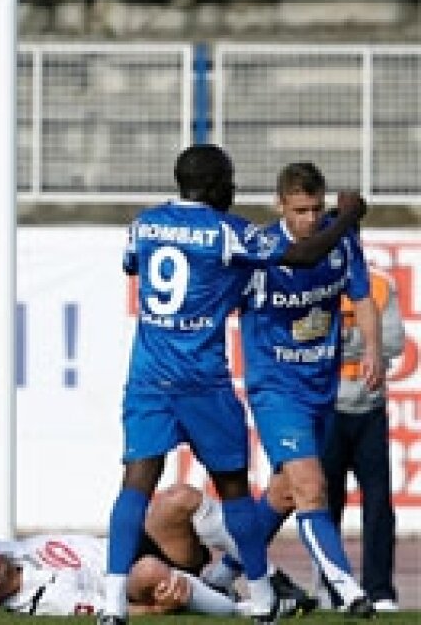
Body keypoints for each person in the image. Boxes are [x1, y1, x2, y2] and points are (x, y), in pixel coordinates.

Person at [98, 145, 368, 625]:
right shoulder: (229, 232)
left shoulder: (143, 223)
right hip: (202, 379)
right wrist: (346, 216)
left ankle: (112, 603)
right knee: (234, 489)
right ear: (220, 185)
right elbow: (303, 255)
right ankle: (263, 597)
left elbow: (133, 267)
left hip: (147, 377)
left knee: (136, 483)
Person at [205, 162, 383, 619]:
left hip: (320, 387)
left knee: (285, 493)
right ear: (280, 205)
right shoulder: (260, 249)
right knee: (310, 485)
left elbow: (361, 296)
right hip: (275, 388)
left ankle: (223, 574)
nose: (310, 219)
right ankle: (347, 589)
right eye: (300, 210)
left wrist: (374, 352)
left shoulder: (341, 241)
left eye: (317, 209)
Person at [0, 478, 306, 617]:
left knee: (180, 497)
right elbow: (110, 611)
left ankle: (227, 578)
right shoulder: (43, 600)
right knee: (150, 571)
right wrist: (159, 607)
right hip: (135, 577)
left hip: (136, 545)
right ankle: (247, 607)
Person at [321, 265, 405, 612]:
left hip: (369, 408)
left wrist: (345, 340)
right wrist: (366, 343)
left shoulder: (379, 285)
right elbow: (309, 342)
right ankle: (333, 589)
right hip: (327, 407)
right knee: (326, 504)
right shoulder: (315, 280)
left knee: (378, 504)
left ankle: (380, 590)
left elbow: (394, 342)